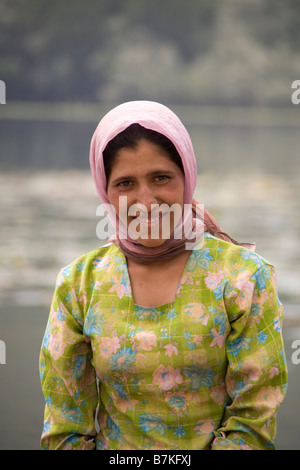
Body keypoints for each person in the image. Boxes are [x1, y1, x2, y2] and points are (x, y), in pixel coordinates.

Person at [39, 101, 288, 450]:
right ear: (104, 191)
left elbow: (253, 420)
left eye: (161, 178)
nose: (146, 200)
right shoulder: (79, 284)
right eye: (125, 183)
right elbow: (65, 428)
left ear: (187, 177)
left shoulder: (243, 278)